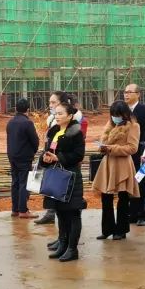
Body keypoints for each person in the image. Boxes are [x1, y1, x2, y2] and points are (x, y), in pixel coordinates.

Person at [41, 102, 86, 262]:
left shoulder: (76, 131)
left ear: (70, 115)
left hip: (70, 177)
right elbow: (47, 150)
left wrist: (59, 158)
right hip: (55, 176)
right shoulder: (54, 131)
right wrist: (45, 158)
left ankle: (72, 249)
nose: (57, 116)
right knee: (60, 212)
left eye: (61, 113)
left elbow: (79, 154)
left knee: (73, 213)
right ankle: (63, 244)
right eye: (56, 113)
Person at [35, 91, 84, 225]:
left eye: (53, 102)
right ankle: (61, 237)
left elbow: (77, 151)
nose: (51, 106)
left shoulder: (76, 126)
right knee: (57, 201)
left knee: (70, 207)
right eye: (50, 102)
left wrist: (59, 157)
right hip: (54, 168)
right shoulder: (53, 124)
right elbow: (50, 145)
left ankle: (70, 241)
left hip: (68, 169)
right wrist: (46, 157)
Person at [92, 101, 140, 240]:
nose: (115, 118)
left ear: (125, 114)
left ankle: (121, 230)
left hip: (123, 164)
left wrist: (112, 148)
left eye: (117, 115)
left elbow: (132, 148)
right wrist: (102, 147)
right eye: (113, 115)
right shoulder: (110, 125)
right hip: (107, 164)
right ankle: (107, 229)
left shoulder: (133, 126)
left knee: (123, 198)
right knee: (105, 197)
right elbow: (104, 141)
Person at [123, 84, 145, 226]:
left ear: (138, 94)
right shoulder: (123, 110)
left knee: (142, 182)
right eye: (125, 92)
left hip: (142, 154)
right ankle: (132, 213)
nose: (126, 94)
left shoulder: (144, 110)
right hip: (127, 154)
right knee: (130, 183)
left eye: (130, 92)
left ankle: (143, 214)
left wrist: (144, 151)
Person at [4, 98, 39, 219]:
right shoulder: (27, 123)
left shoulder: (10, 122)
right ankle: (23, 210)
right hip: (24, 157)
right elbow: (35, 141)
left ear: (15, 109)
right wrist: (33, 152)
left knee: (15, 182)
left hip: (12, 156)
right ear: (28, 110)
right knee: (24, 183)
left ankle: (15, 209)